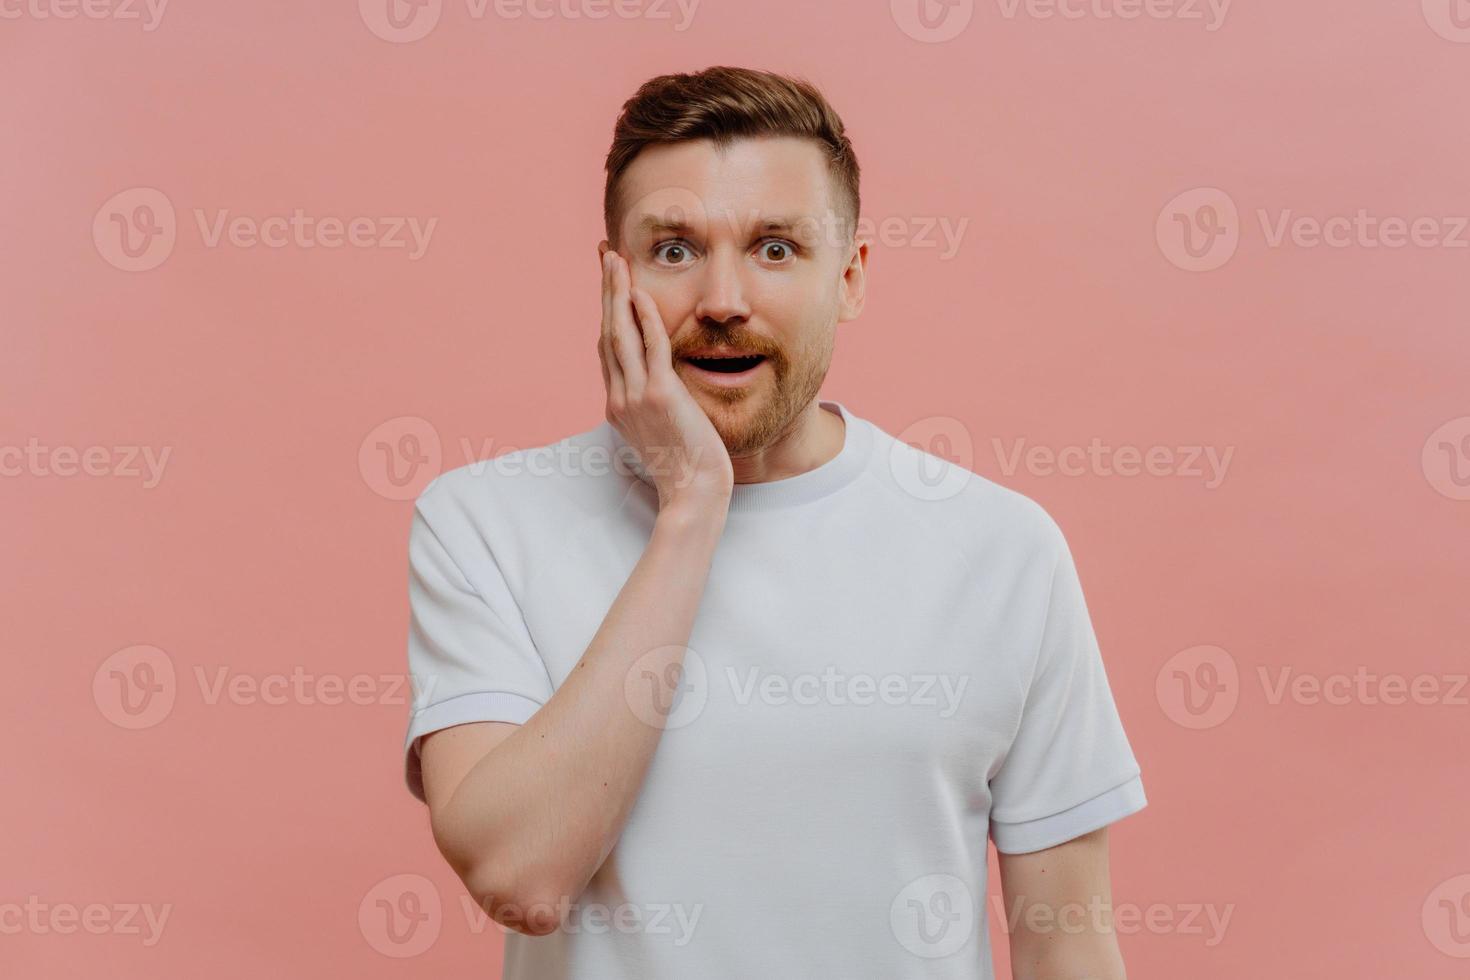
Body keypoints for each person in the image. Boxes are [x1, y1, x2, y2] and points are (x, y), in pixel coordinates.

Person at [401, 65, 1147, 979]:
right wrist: (693, 505)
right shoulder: (484, 523)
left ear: (852, 276)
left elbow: (1065, 940)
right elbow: (521, 875)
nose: (722, 300)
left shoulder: (1003, 551)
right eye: (674, 249)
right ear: (612, 278)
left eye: (776, 248)